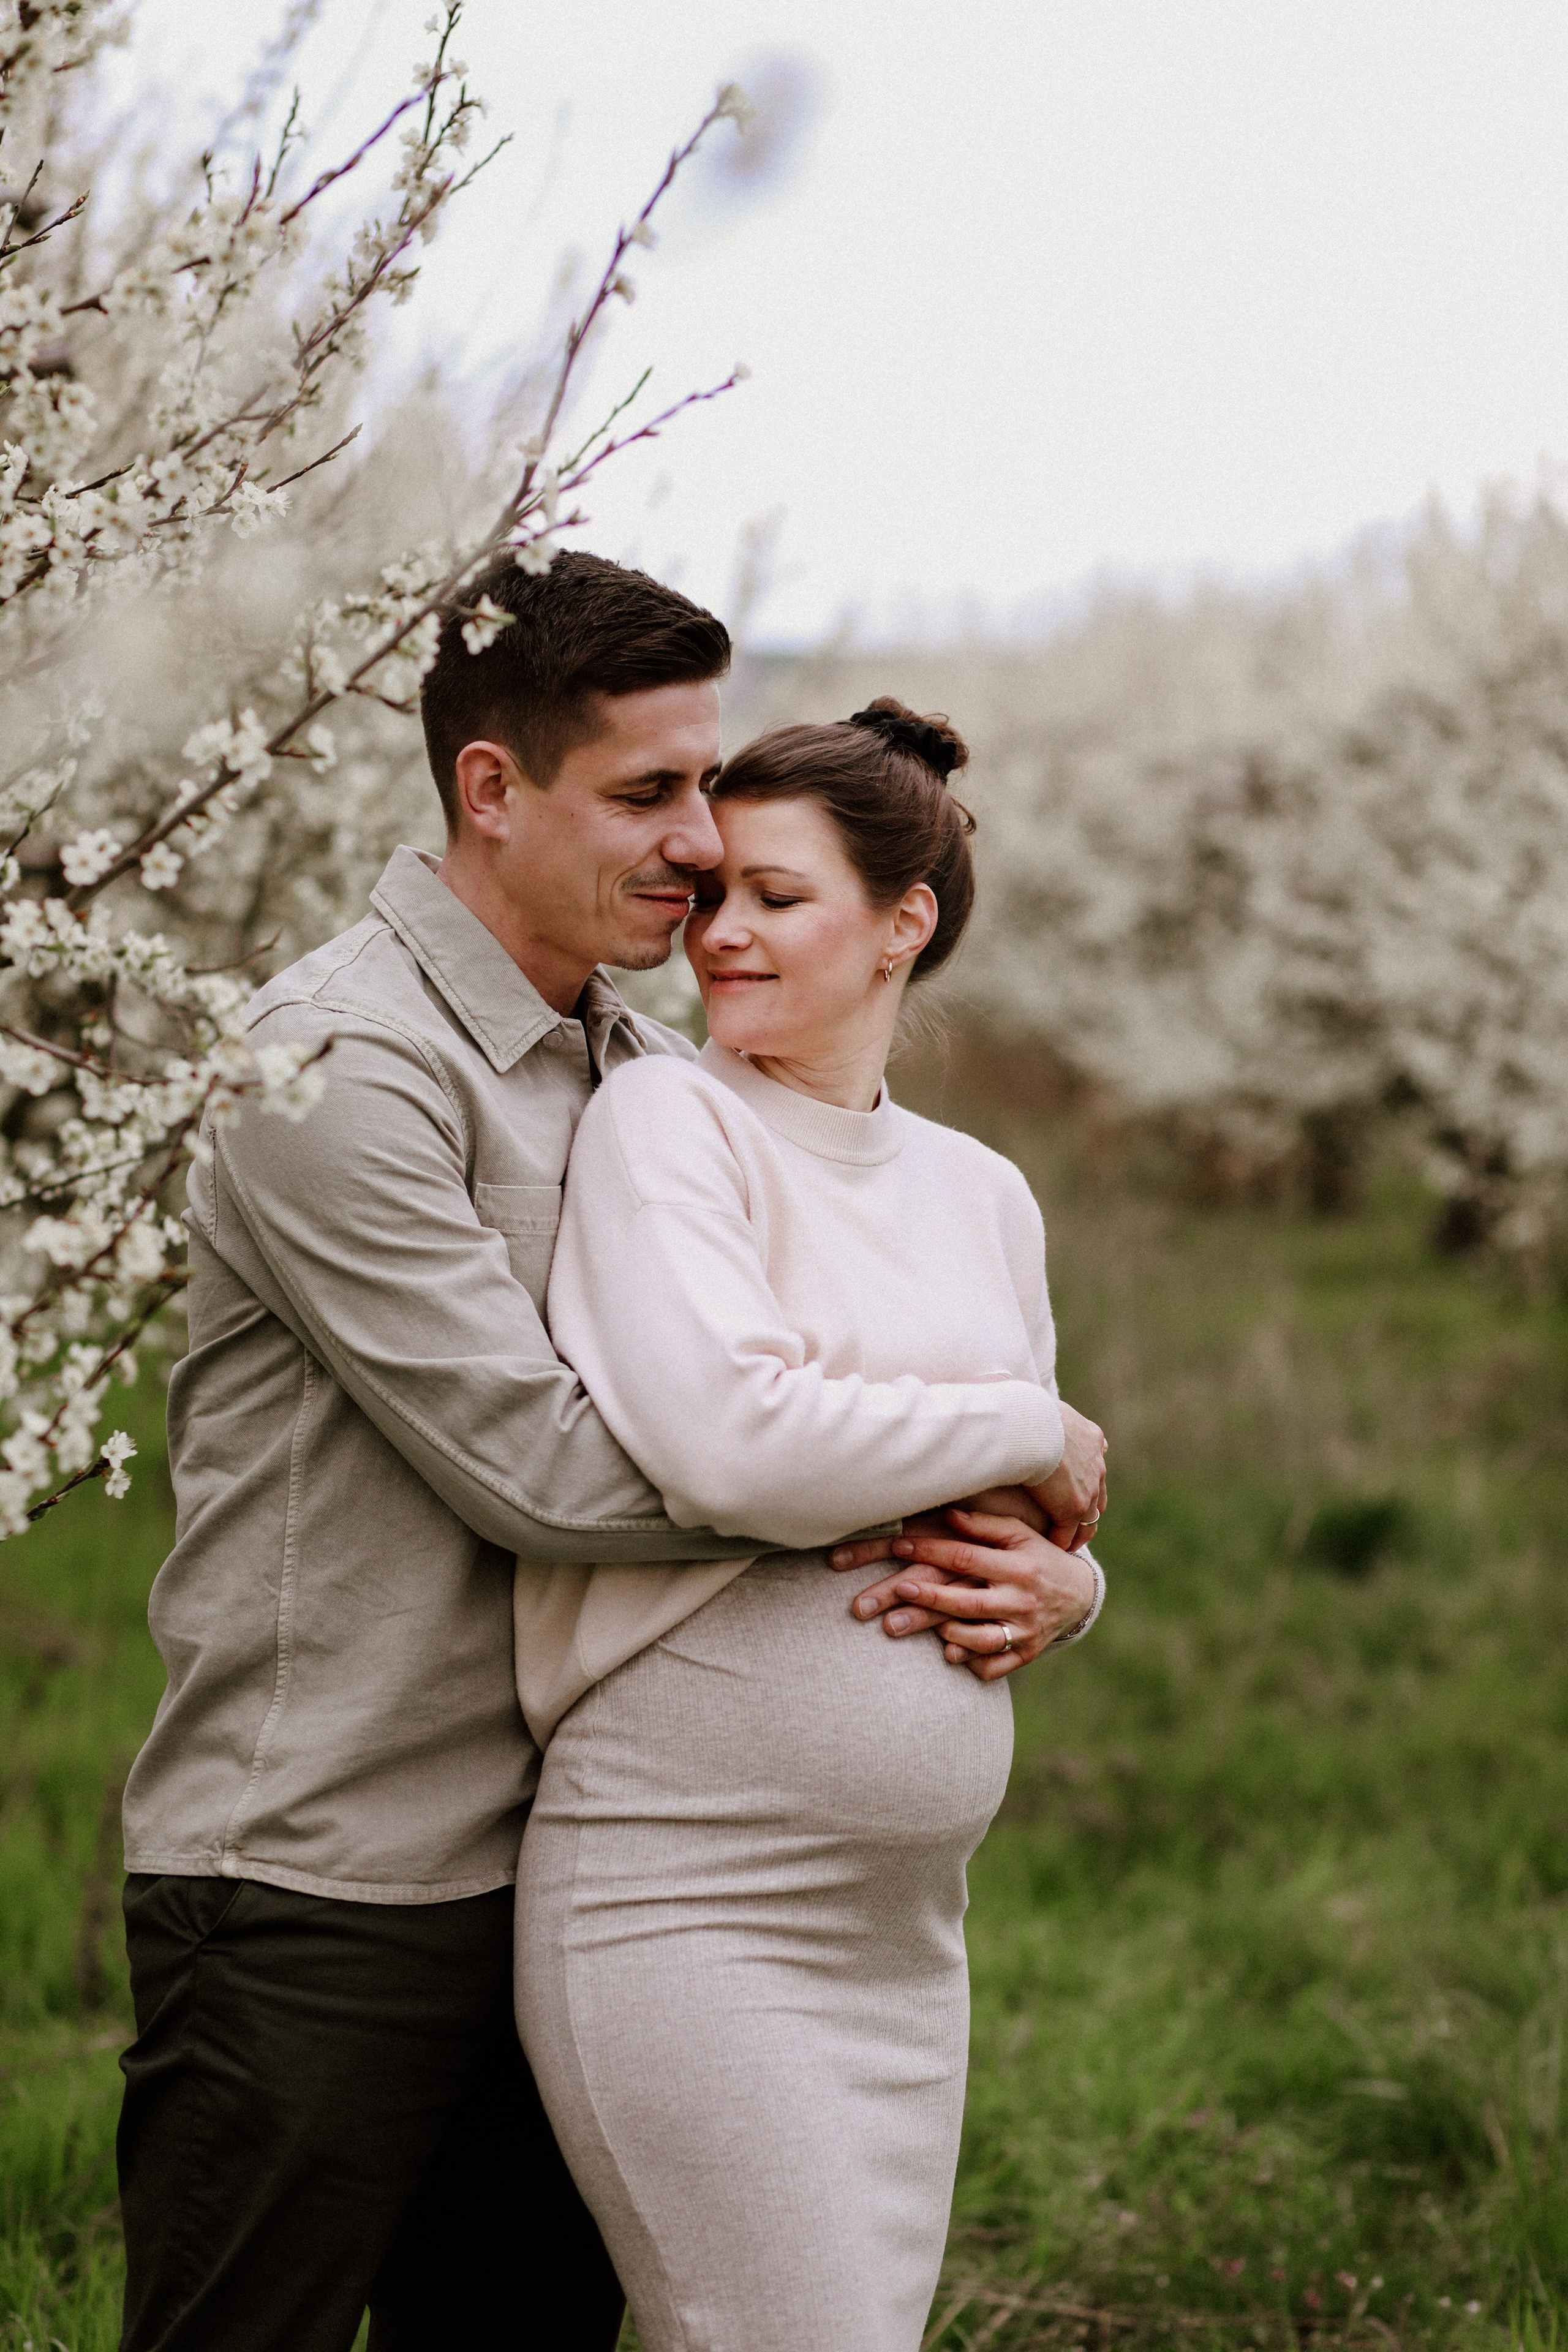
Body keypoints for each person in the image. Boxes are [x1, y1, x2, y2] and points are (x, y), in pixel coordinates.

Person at [114, 554, 1107, 2352]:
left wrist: (1055, 1565)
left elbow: (808, 1371)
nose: (692, 846)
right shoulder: (333, 1068)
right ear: (491, 790)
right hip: (326, 1866)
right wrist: (993, 1452)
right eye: (650, 795)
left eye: (706, 795)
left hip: (562, 1859)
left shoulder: (635, 1060)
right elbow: (561, 1475)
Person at [513, 698, 1106, 2352]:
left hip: (901, 1935)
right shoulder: (669, 1122)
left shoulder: (983, 1192)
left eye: (777, 896)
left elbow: (1029, 1520)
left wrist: (1073, 1586)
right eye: (713, 896)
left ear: (903, 921)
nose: (722, 934)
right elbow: (734, 1440)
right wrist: (1032, 1425)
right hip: (688, 1891)